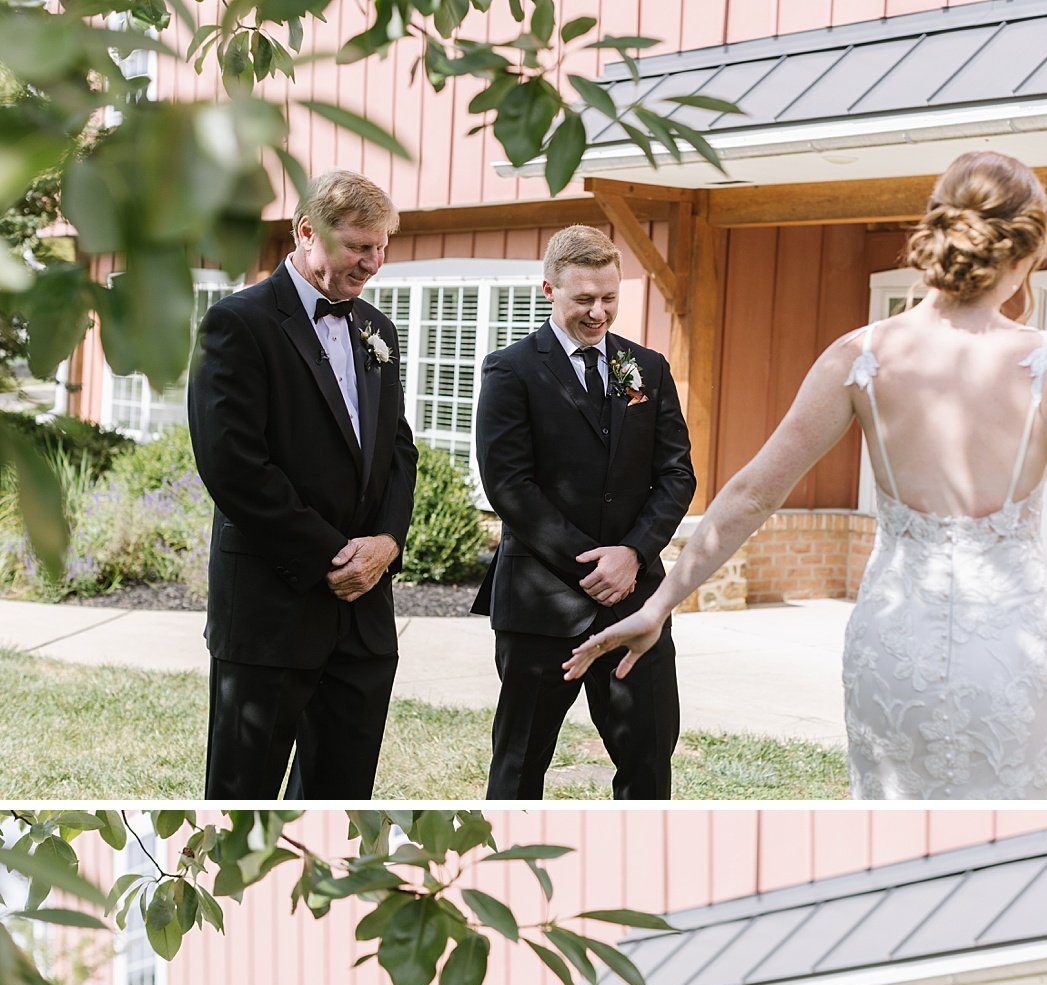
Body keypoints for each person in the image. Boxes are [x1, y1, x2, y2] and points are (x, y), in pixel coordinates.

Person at [562, 149, 1047, 803]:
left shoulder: (860, 356)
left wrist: (662, 605)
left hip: (895, 650)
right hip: (1010, 654)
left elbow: (754, 492)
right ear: (1027, 252)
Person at [188, 171, 417, 802]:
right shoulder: (237, 323)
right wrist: (327, 557)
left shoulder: (379, 331)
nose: (372, 263)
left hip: (364, 615)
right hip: (271, 609)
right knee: (243, 797)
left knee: (341, 799)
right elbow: (232, 464)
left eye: (381, 247)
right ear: (307, 231)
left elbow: (398, 450)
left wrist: (386, 544)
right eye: (358, 247)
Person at [474, 222, 695, 798]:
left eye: (609, 298)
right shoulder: (511, 370)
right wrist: (592, 566)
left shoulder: (648, 368)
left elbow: (677, 473)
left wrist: (634, 554)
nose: (598, 313)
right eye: (584, 299)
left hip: (636, 600)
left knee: (648, 758)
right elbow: (509, 485)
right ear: (549, 290)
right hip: (541, 603)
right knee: (521, 762)